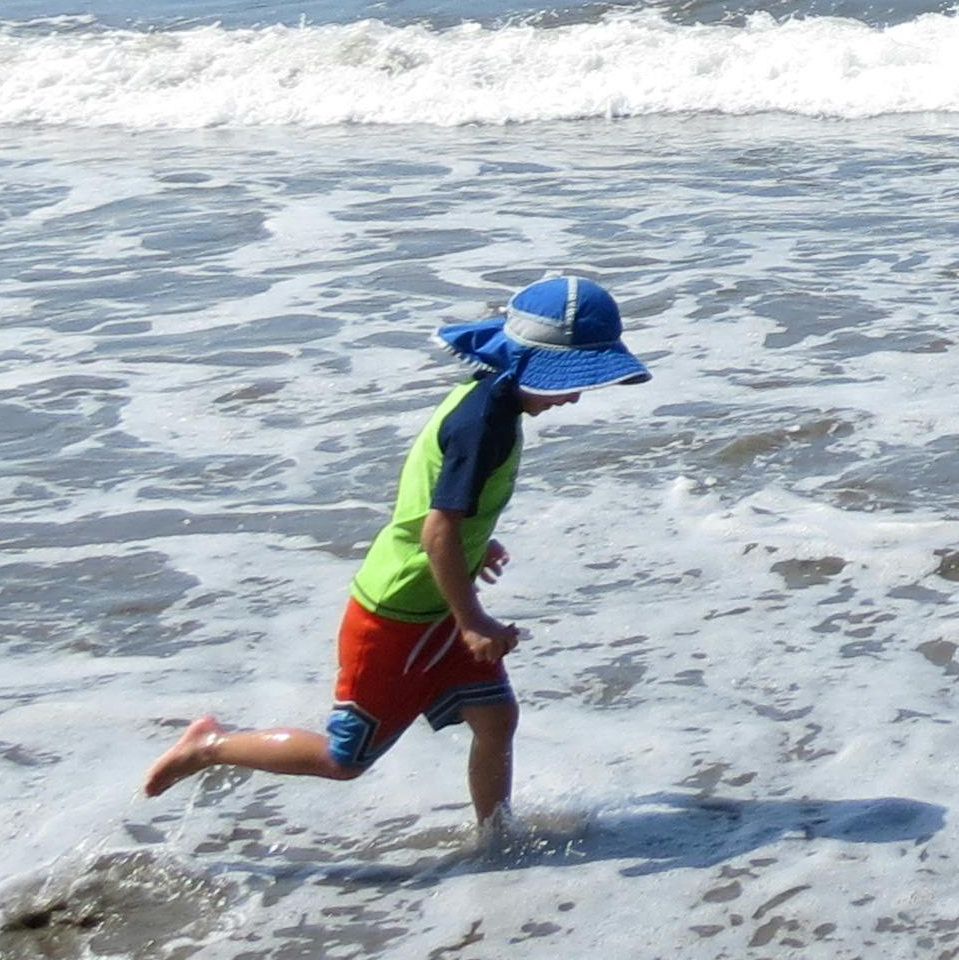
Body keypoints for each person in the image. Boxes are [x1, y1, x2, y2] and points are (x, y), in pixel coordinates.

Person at [141, 274, 654, 833]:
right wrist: (474, 619)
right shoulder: (483, 425)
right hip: (397, 614)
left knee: (495, 716)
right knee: (345, 759)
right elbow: (437, 529)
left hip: (435, 603)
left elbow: (441, 512)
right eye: (567, 381)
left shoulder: (496, 406)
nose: (575, 395)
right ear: (523, 364)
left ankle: (496, 837)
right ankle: (209, 746)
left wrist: (476, 545)